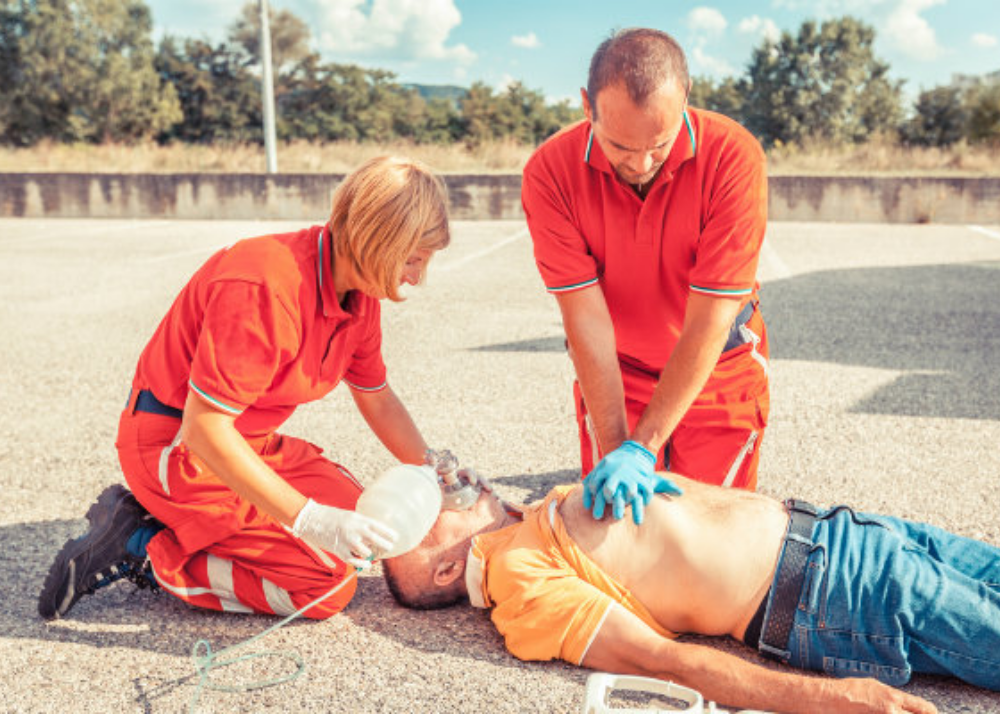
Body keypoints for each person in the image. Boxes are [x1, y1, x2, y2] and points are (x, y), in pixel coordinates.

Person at [38, 156, 478, 622]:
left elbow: (378, 397)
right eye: (412, 259)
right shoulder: (265, 284)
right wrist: (309, 519)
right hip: (178, 451)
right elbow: (204, 429)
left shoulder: (359, 295)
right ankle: (144, 545)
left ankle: (188, 529)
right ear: (376, 239)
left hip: (246, 443)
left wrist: (438, 475)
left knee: (371, 524)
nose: (415, 277)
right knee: (324, 585)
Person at [382, 473, 1000, 713]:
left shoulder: (529, 519)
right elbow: (666, 662)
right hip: (837, 594)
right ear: (445, 571)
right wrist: (833, 700)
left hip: (847, 531)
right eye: (431, 510)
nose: (446, 484)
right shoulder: (520, 585)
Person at [521, 28, 770, 523]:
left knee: (713, 531)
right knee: (616, 529)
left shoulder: (733, 156)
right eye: (619, 145)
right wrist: (619, 448)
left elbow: (709, 320)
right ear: (587, 106)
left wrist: (644, 447)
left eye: (659, 144)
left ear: (686, 97)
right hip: (618, 370)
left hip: (717, 366)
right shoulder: (550, 172)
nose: (640, 163)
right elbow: (584, 319)